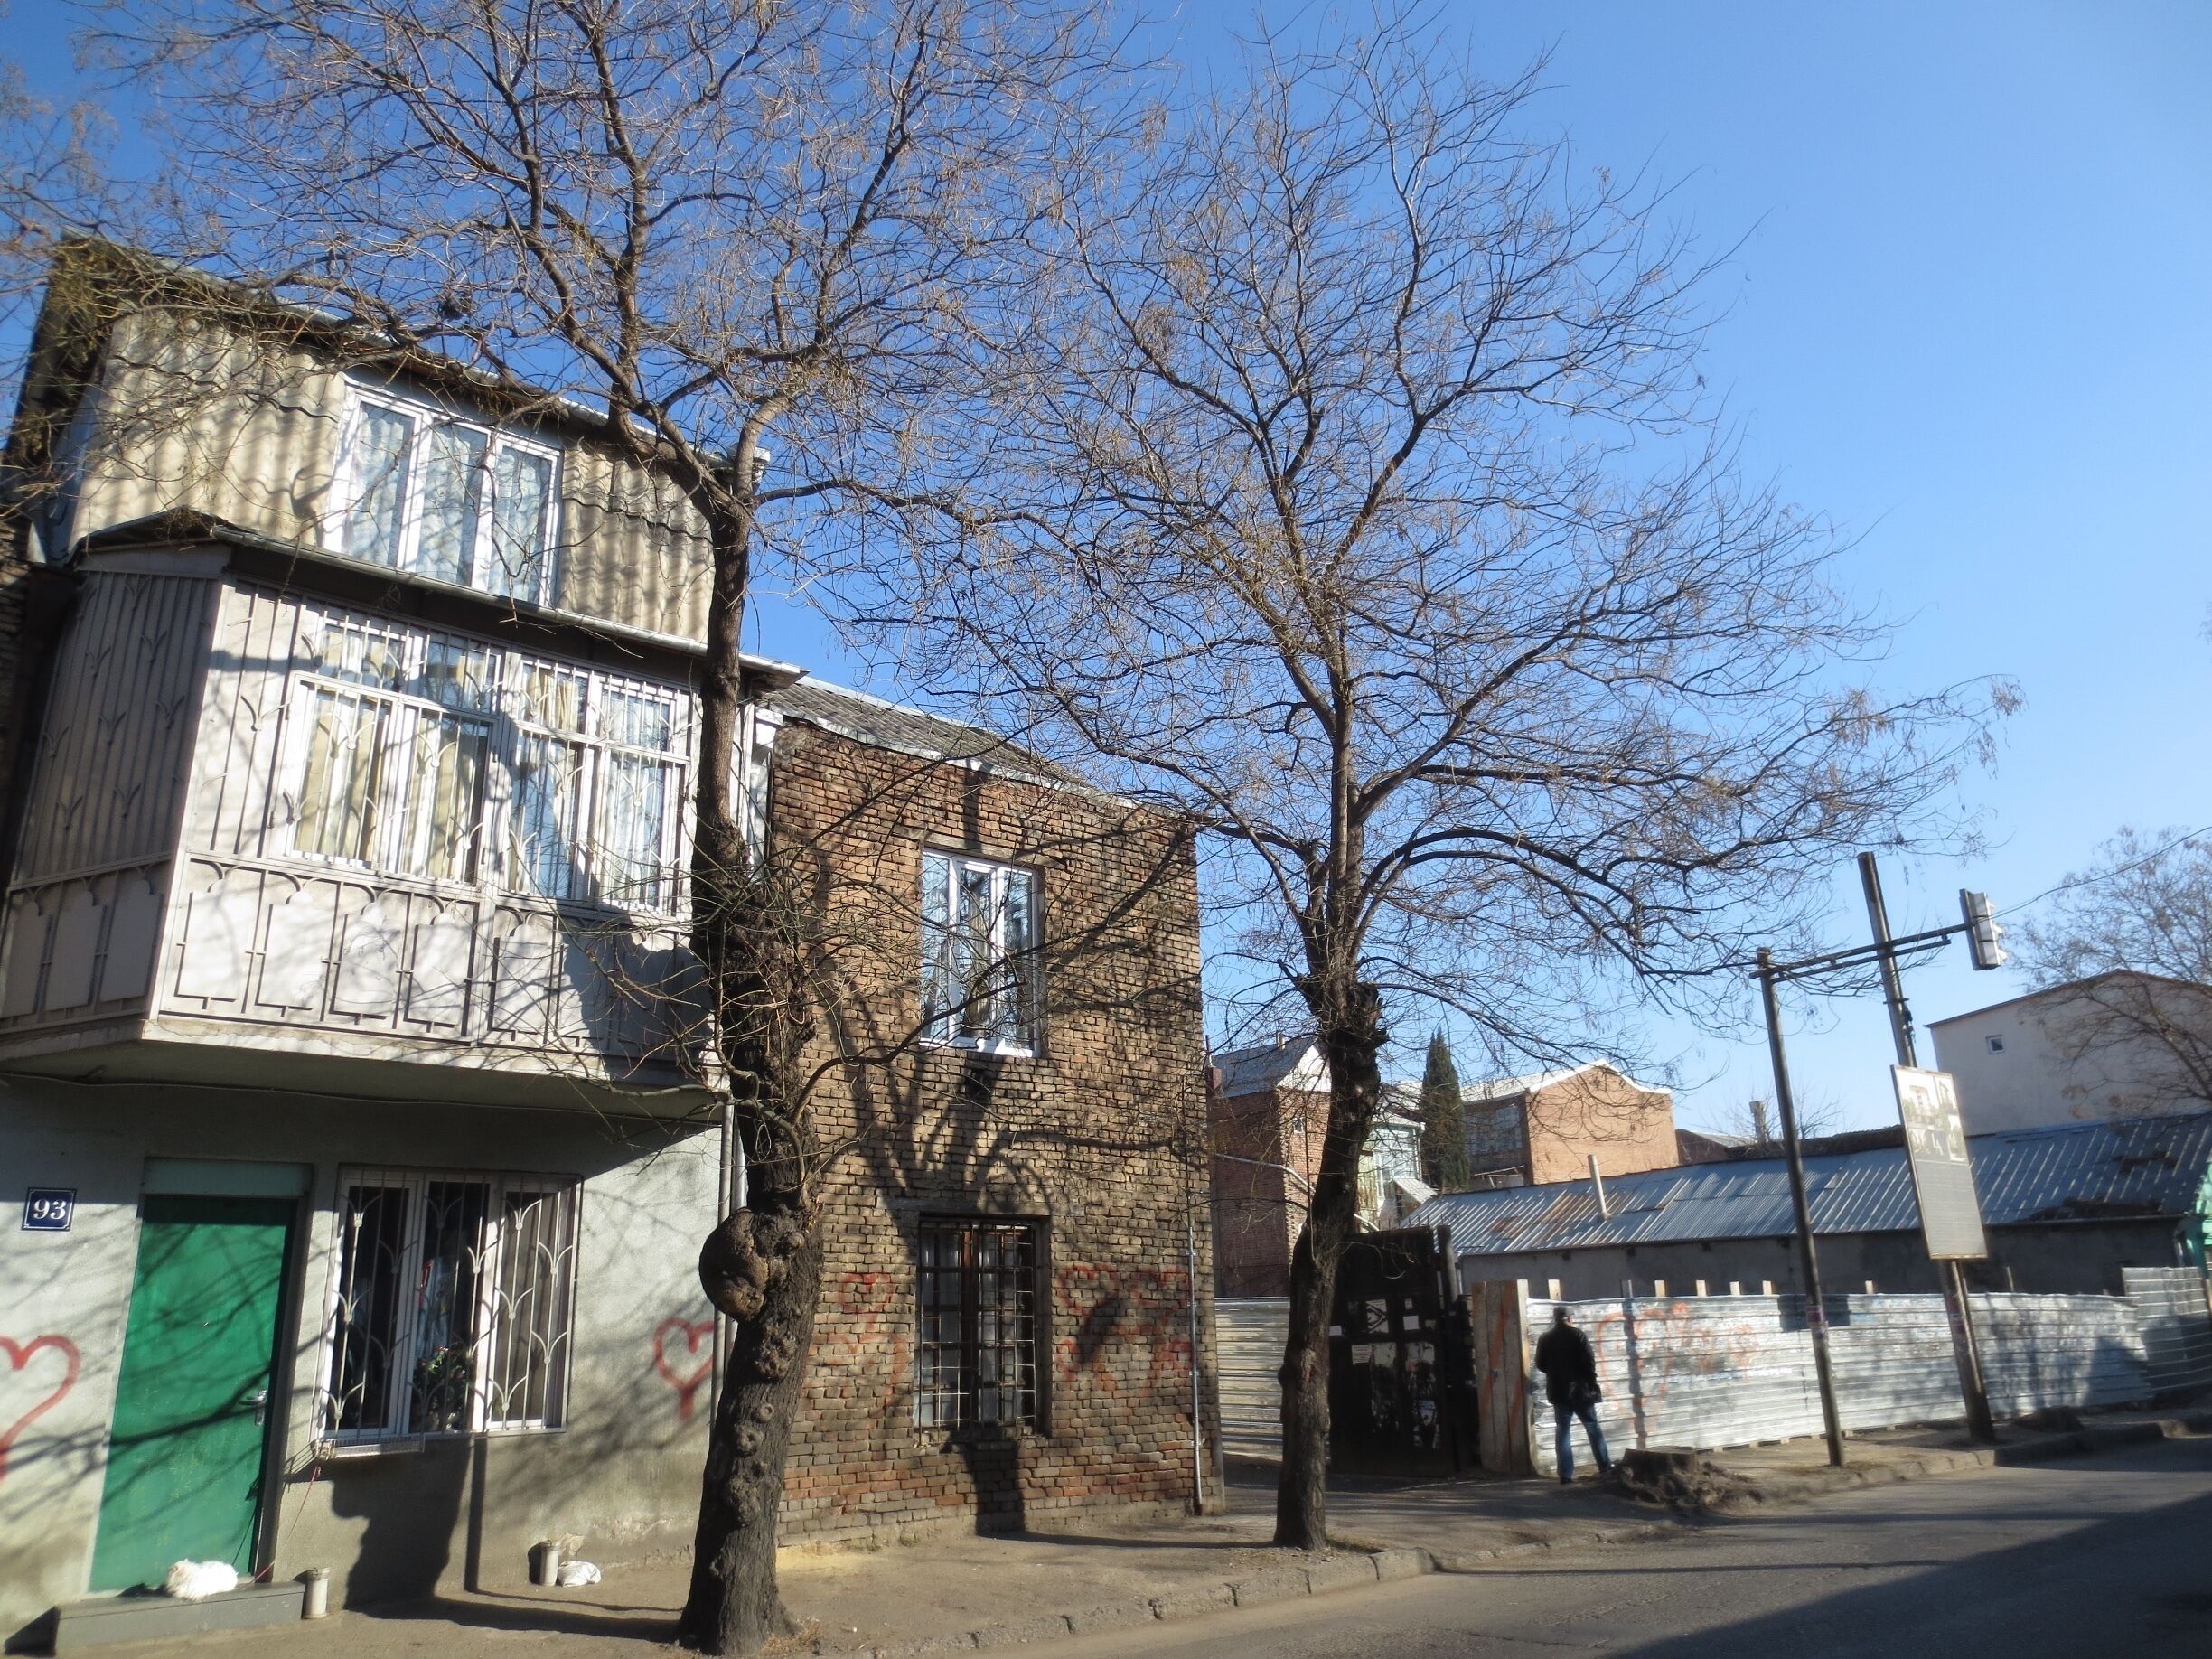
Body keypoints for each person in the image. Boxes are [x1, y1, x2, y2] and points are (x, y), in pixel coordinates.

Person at [1532, 1305, 1610, 1485]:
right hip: (1580, 1391)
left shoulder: (1545, 1338)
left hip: (1558, 1391)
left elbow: (1540, 1364)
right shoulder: (1577, 1335)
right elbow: (1589, 1360)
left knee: (1563, 1431)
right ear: (1569, 1318)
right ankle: (1605, 1467)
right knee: (1592, 1427)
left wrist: (1555, 1373)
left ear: (1555, 1319)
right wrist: (1591, 1382)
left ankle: (1565, 1475)